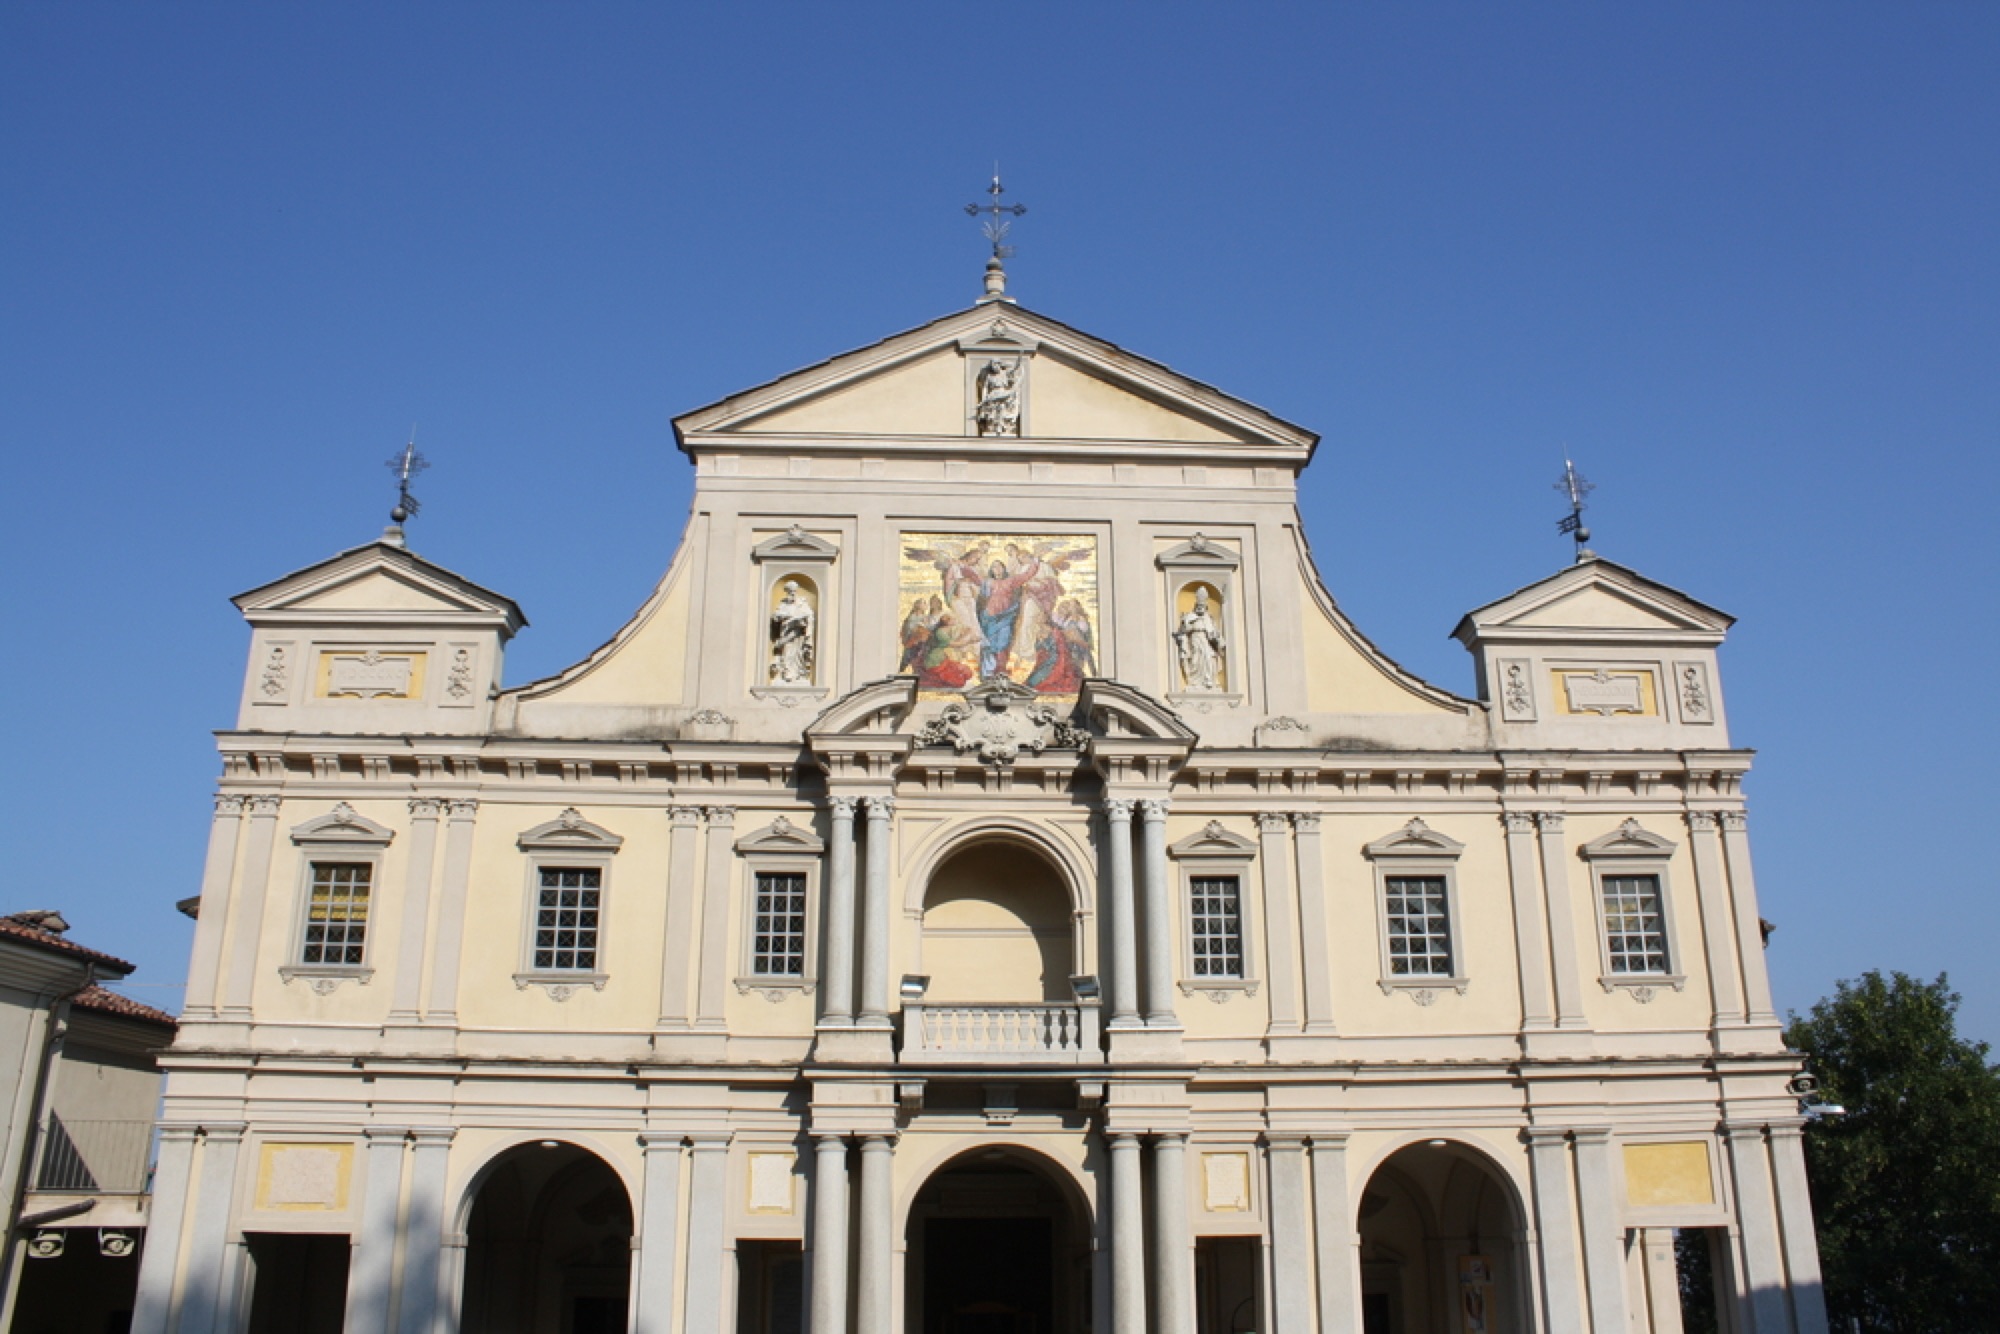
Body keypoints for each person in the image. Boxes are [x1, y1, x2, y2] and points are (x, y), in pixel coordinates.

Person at [1173, 586, 1225, 690]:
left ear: (1206, 607)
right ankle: (1194, 682)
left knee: (1209, 658)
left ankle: (1208, 680)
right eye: (1199, 606)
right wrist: (1186, 623)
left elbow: (1213, 632)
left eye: (1203, 606)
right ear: (1196, 607)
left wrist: (1215, 637)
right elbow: (1185, 630)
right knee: (1196, 659)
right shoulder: (1191, 617)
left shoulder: (1208, 619)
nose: (1200, 607)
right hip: (1195, 640)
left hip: (1206, 641)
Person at [768, 581, 814, 683]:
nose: (792, 593)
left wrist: (800, 620)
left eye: (793, 591)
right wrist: (781, 617)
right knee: (787, 653)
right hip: (785, 634)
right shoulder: (783, 604)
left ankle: (798, 674)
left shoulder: (801, 604)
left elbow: (808, 615)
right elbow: (776, 616)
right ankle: (787, 673)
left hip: (798, 635)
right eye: (789, 591)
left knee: (797, 655)